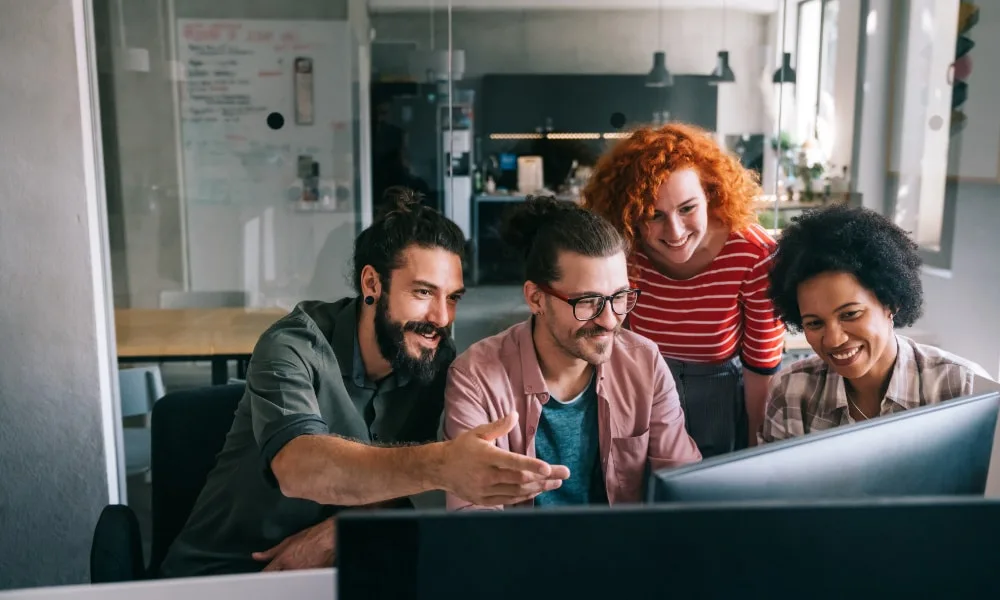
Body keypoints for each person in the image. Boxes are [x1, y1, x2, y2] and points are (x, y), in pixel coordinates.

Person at [160, 188, 569, 577]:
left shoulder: (430, 356)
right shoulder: (291, 344)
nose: (442, 318)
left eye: (453, 298)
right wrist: (444, 464)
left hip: (334, 573)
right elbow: (298, 468)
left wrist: (340, 530)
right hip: (224, 575)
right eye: (424, 292)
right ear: (372, 284)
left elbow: (394, 474)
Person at [443, 197, 701, 511]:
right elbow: (471, 517)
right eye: (588, 302)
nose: (609, 320)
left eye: (619, 296)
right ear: (536, 298)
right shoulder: (476, 377)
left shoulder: (644, 362)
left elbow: (684, 485)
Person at [583, 123, 786, 457]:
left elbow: (761, 368)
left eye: (687, 208)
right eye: (653, 215)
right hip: (640, 385)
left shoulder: (754, 255)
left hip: (720, 397)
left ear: (711, 193)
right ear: (630, 215)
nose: (674, 231)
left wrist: (755, 450)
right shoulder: (625, 250)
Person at [759, 205, 993, 442]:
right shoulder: (791, 391)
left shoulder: (962, 388)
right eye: (815, 323)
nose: (833, 339)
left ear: (890, 303)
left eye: (850, 314)